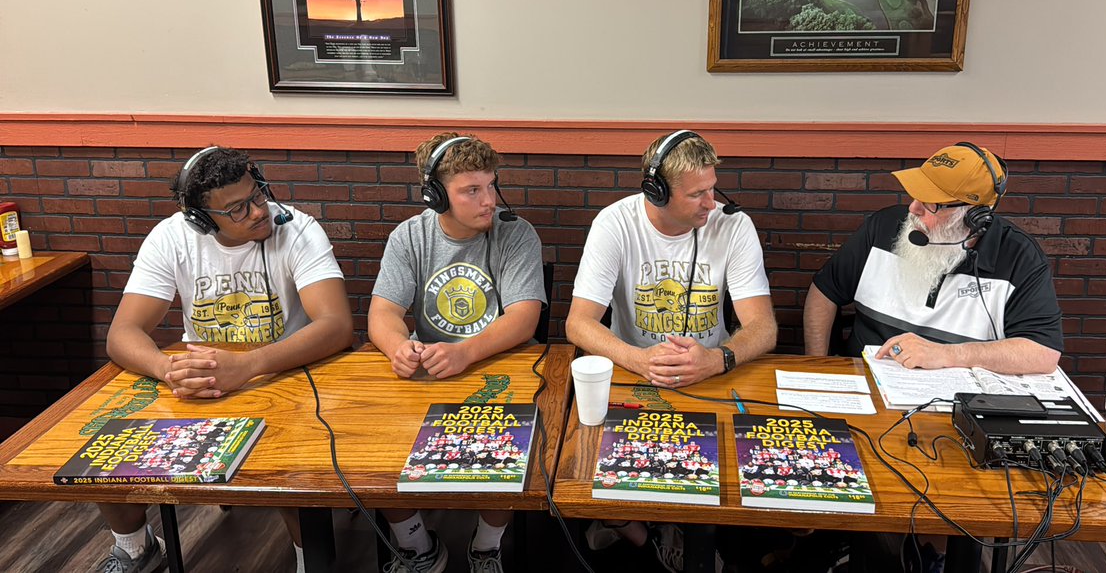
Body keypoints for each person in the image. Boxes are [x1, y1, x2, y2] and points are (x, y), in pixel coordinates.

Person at [98, 146, 354, 573]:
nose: (258, 211)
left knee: (289, 480)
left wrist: (250, 366)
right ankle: (136, 547)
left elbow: (336, 325)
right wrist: (168, 369)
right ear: (200, 218)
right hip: (200, 382)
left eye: (258, 195)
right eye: (238, 209)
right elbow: (122, 334)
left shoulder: (297, 228)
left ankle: (310, 561)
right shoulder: (171, 238)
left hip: (282, 375)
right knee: (107, 454)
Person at [565, 130, 776, 571]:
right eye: (697, 194)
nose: (710, 203)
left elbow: (763, 327)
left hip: (713, 375)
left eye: (712, 188)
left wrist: (718, 358)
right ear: (656, 191)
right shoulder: (615, 223)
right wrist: (640, 360)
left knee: (711, 482)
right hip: (634, 374)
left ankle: (674, 530)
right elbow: (577, 324)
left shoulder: (733, 224)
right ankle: (644, 530)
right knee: (584, 482)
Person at [368, 132, 546, 573]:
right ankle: (417, 547)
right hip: (430, 376)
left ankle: (486, 547)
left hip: (500, 370)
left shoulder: (515, 233)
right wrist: (398, 347)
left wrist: (466, 352)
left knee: (512, 449)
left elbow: (525, 319)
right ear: (435, 195)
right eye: (472, 190)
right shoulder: (409, 237)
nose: (490, 200)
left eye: (491, 184)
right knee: (369, 450)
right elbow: (382, 313)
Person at [804, 142, 1062, 375]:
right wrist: (817, 366)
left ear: (974, 216)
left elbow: (1043, 353)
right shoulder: (883, 228)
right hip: (868, 381)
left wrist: (946, 354)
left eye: (932, 204)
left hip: (956, 399)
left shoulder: (1019, 257)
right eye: (916, 195)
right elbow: (825, 292)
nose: (913, 209)